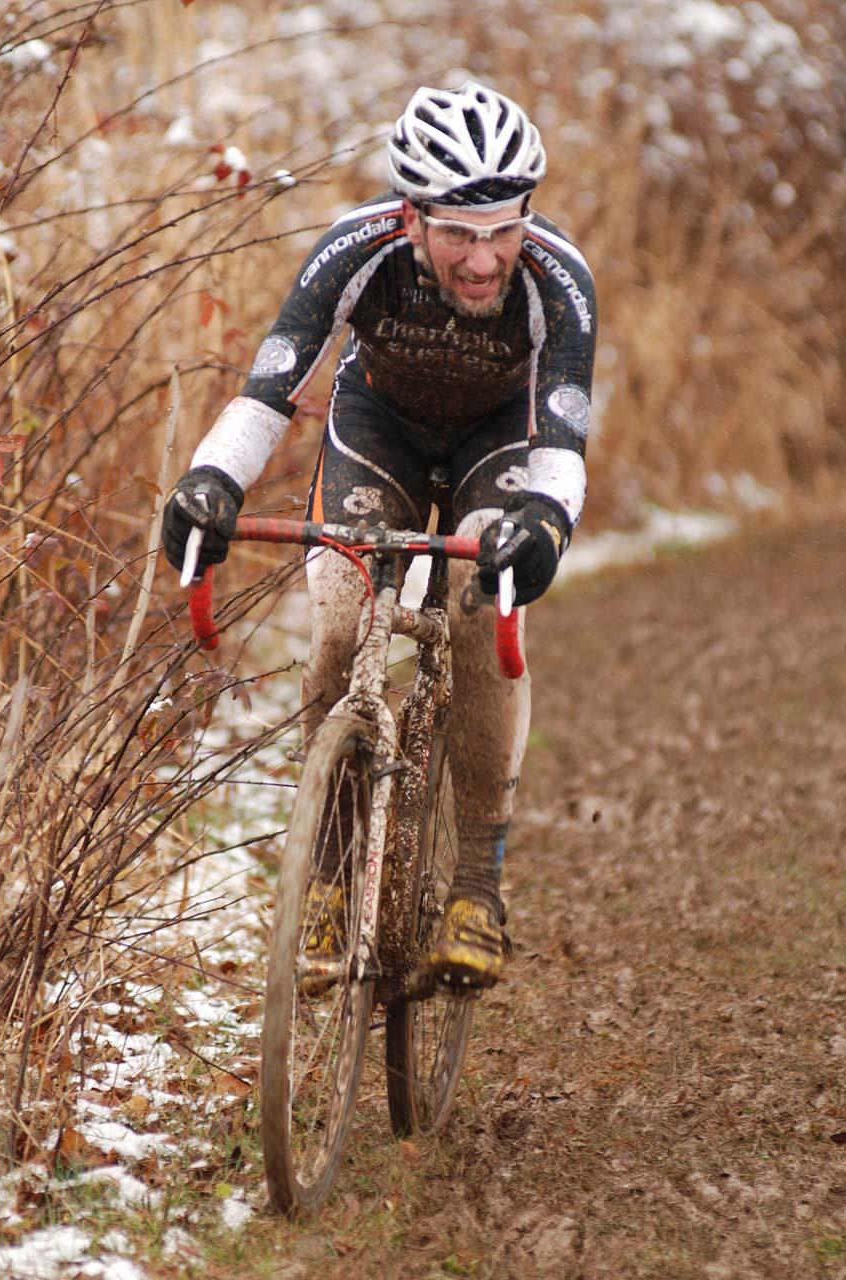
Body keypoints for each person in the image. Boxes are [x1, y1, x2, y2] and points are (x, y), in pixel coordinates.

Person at [162, 81, 597, 988]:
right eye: (457, 234)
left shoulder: (558, 276)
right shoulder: (354, 251)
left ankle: (477, 888)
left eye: (501, 231)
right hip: (379, 429)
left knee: (481, 621)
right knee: (336, 621)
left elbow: (561, 439)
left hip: (500, 444)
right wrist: (209, 483)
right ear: (409, 218)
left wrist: (546, 523)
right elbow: (268, 389)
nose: (483, 261)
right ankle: (325, 865)